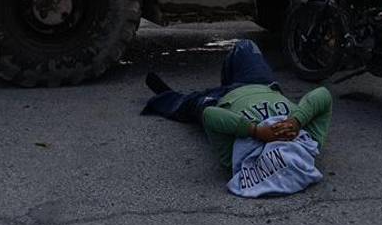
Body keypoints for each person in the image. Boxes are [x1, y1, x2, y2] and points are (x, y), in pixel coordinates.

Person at [142, 40, 332, 197]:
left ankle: (167, 96)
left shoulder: (237, 160)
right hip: (261, 84)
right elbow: (322, 95)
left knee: (184, 105)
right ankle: (225, 83)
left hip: (217, 102)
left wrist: (256, 131)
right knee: (245, 46)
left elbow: (211, 116)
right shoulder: (309, 143)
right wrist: (296, 121)